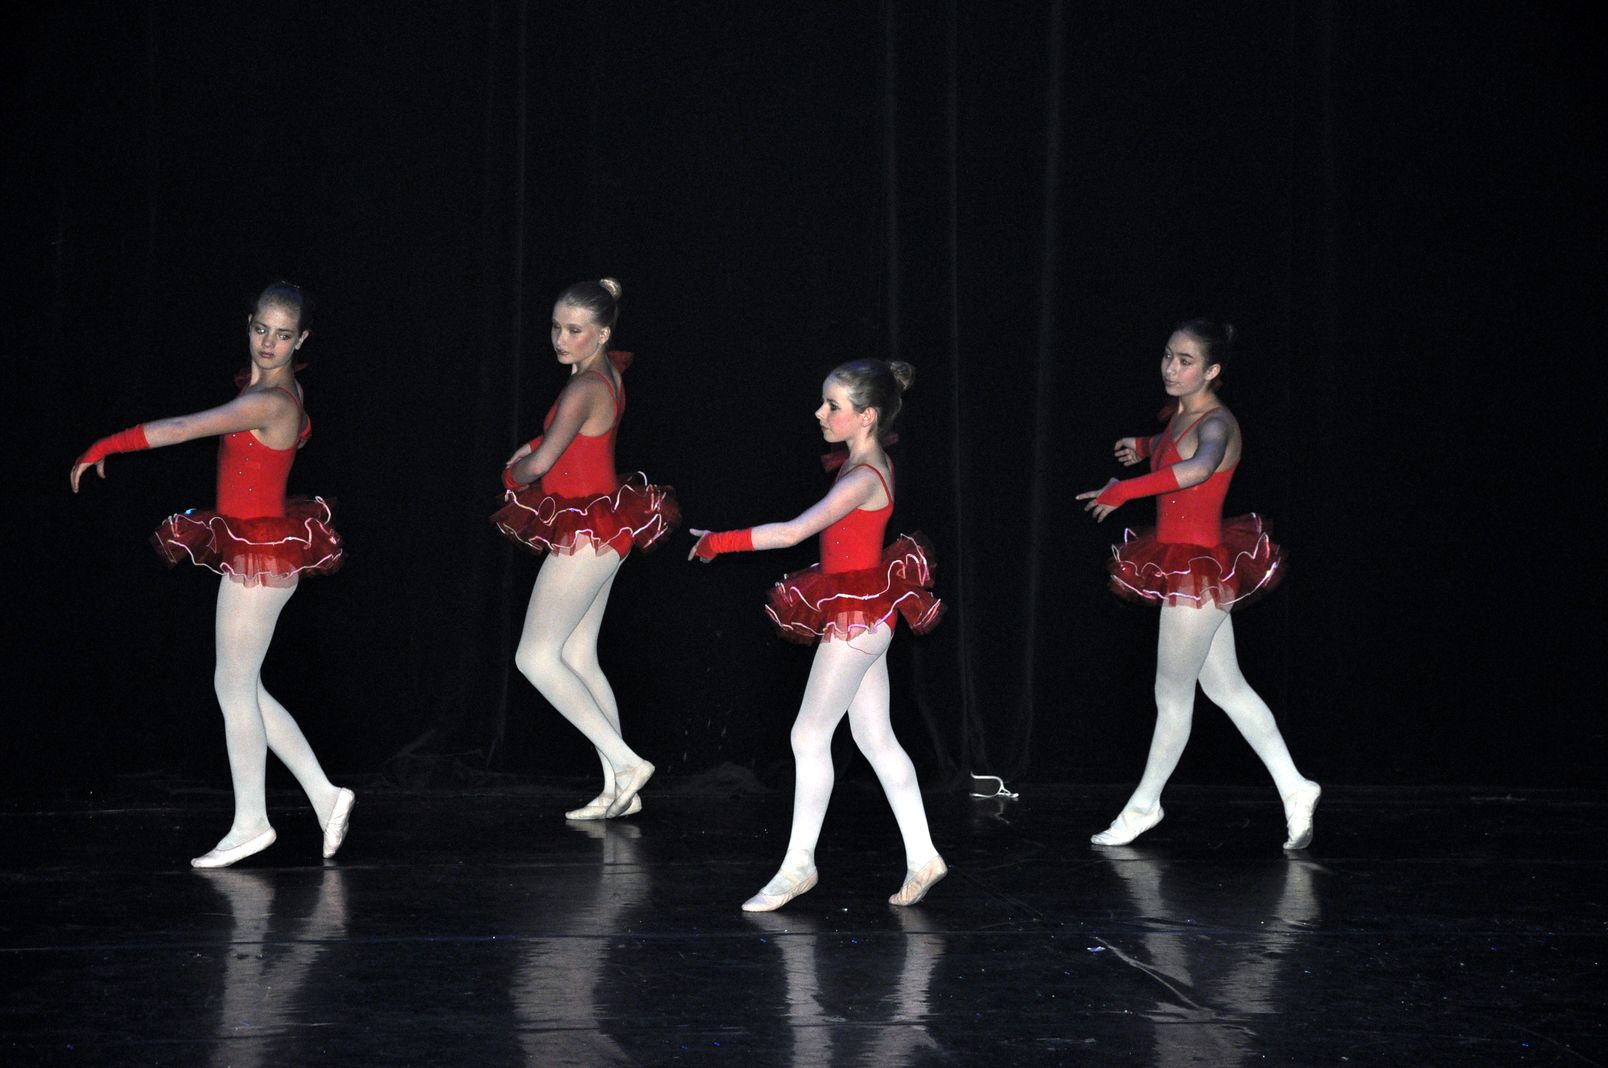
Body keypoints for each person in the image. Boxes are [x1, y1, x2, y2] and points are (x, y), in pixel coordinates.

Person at [71, 281, 353, 868]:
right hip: (261, 548)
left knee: (232, 685)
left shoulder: (271, 400)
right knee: (244, 685)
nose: (269, 343)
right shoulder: (265, 385)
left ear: (302, 340)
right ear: (248, 324)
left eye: (283, 335)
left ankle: (252, 823)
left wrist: (106, 445)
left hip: (260, 555)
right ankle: (326, 796)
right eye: (261, 329)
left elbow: (183, 427)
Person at [691, 359, 945, 911]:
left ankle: (799, 865)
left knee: (809, 736)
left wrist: (719, 541)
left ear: (867, 416)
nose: (819, 413)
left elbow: (793, 533)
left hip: (859, 616)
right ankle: (924, 855)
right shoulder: (861, 463)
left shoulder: (862, 477)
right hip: (864, 611)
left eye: (833, 406)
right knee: (875, 738)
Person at [1077, 319, 1321, 849]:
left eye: (1185, 361)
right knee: (1225, 687)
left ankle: (1144, 806)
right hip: (1187, 567)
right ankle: (1295, 786)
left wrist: (1125, 489)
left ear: (1212, 371)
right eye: (1168, 355)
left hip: (1198, 570)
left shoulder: (1218, 423)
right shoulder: (1181, 414)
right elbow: (1171, 445)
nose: (1171, 367)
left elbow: (1199, 467)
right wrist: (1143, 444)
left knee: (1171, 695)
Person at [491, 278, 677, 821]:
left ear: (603, 333)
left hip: (588, 531)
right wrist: (532, 449)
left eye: (574, 330)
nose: (561, 338)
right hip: (604, 526)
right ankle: (621, 789)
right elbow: (572, 440)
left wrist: (514, 473)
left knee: (533, 657)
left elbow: (544, 462)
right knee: (577, 657)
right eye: (556, 327)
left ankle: (627, 762)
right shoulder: (602, 375)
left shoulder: (584, 386)